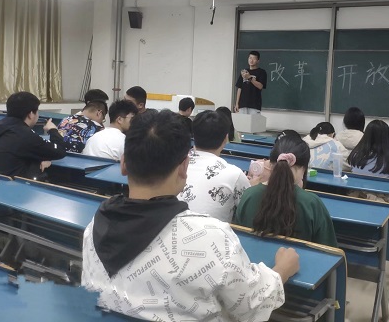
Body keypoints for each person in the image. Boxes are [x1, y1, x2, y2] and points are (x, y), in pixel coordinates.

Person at [81, 109, 299, 321]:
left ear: (123, 164)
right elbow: (249, 306)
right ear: (183, 167)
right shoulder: (211, 237)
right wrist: (281, 271)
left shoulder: (95, 226)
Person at [234, 135, 338, 247]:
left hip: (252, 257)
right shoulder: (312, 203)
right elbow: (329, 250)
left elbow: (237, 239)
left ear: (271, 164)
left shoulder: (249, 195)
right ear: (304, 168)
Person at [0, 91, 67, 179]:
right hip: (7, 185)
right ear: (31, 114)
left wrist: (39, 159)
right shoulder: (25, 135)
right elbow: (60, 151)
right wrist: (53, 130)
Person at [178, 110, 250, 222]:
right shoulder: (235, 174)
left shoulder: (175, 166)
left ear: (194, 135)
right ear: (226, 138)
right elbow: (248, 208)